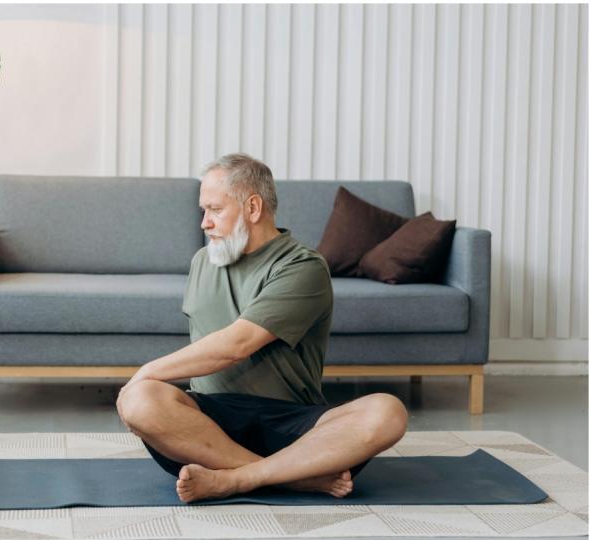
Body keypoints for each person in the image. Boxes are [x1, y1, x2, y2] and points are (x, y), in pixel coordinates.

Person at [115, 153, 408, 503]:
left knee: (387, 412)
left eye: (215, 210)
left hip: (292, 425)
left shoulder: (303, 266)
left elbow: (236, 344)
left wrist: (144, 372)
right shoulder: (202, 262)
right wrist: (142, 389)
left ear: (253, 208)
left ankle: (237, 480)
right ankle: (294, 478)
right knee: (140, 401)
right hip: (210, 428)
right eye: (203, 211)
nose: (204, 223)